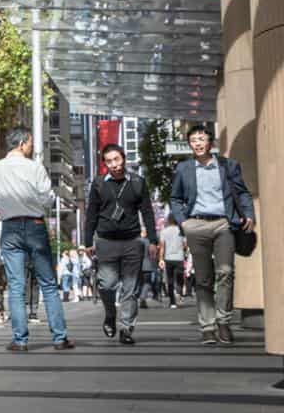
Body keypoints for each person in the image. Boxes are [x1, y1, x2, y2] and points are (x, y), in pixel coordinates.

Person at [0, 127, 74, 352]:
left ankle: (20, 340)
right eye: (30, 143)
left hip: (10, 227)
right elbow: (47, 198)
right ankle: (59, 338)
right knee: (48, 284)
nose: (31, 147)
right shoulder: (35, 168)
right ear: (22, 143)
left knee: (16, 286)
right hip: (35, 225)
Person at [170, 125, 256, 345]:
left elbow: (242, 192)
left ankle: (224, 322)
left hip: (222, 224)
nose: (197, 143)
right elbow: (176, 198)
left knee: (226, 272)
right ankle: (207, 326)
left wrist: (248, 214)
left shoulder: (228, 166)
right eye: (193, 140)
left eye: (201, 139)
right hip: (196, 225)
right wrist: (184, 222)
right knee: (203, 278)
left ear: (211, 143)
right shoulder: (184, 169)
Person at [85, 144, 158, 346]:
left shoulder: (137, 182)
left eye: (117, 159)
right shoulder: (99, 184)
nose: (114, 165)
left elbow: (148, 212)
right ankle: (110, 313)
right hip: (106, 242)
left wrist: (153, 240)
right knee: (106, 284)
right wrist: (87, 241)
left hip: (132, 241)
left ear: (123, 158)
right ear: (105, 163)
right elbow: (91, 214)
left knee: (130, 288)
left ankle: (126, 327)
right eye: (109, 161)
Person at [160, 214, 186, 309]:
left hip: (168, 258)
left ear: (168, 220)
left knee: (170, 280)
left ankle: (172, 302)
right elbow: (185, 245)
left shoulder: (164, 231)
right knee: (180, 278)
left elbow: (162, 246)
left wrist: (161, 259)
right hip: (179, 257)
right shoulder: (181, 230)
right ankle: (179, 292)